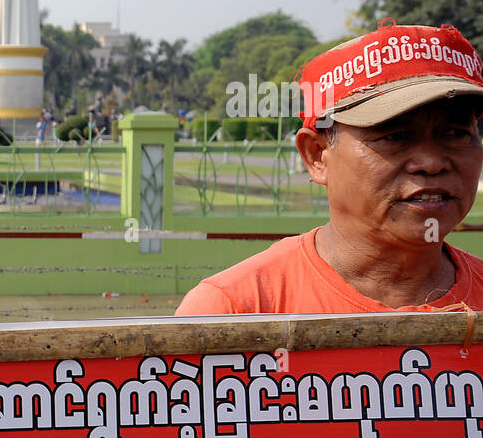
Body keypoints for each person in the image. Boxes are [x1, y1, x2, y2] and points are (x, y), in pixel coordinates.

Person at [176, 22, 483, 315]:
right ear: (317, 155)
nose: (431, 163)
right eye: (396, 136)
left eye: (456, 133)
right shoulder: (235, 309)